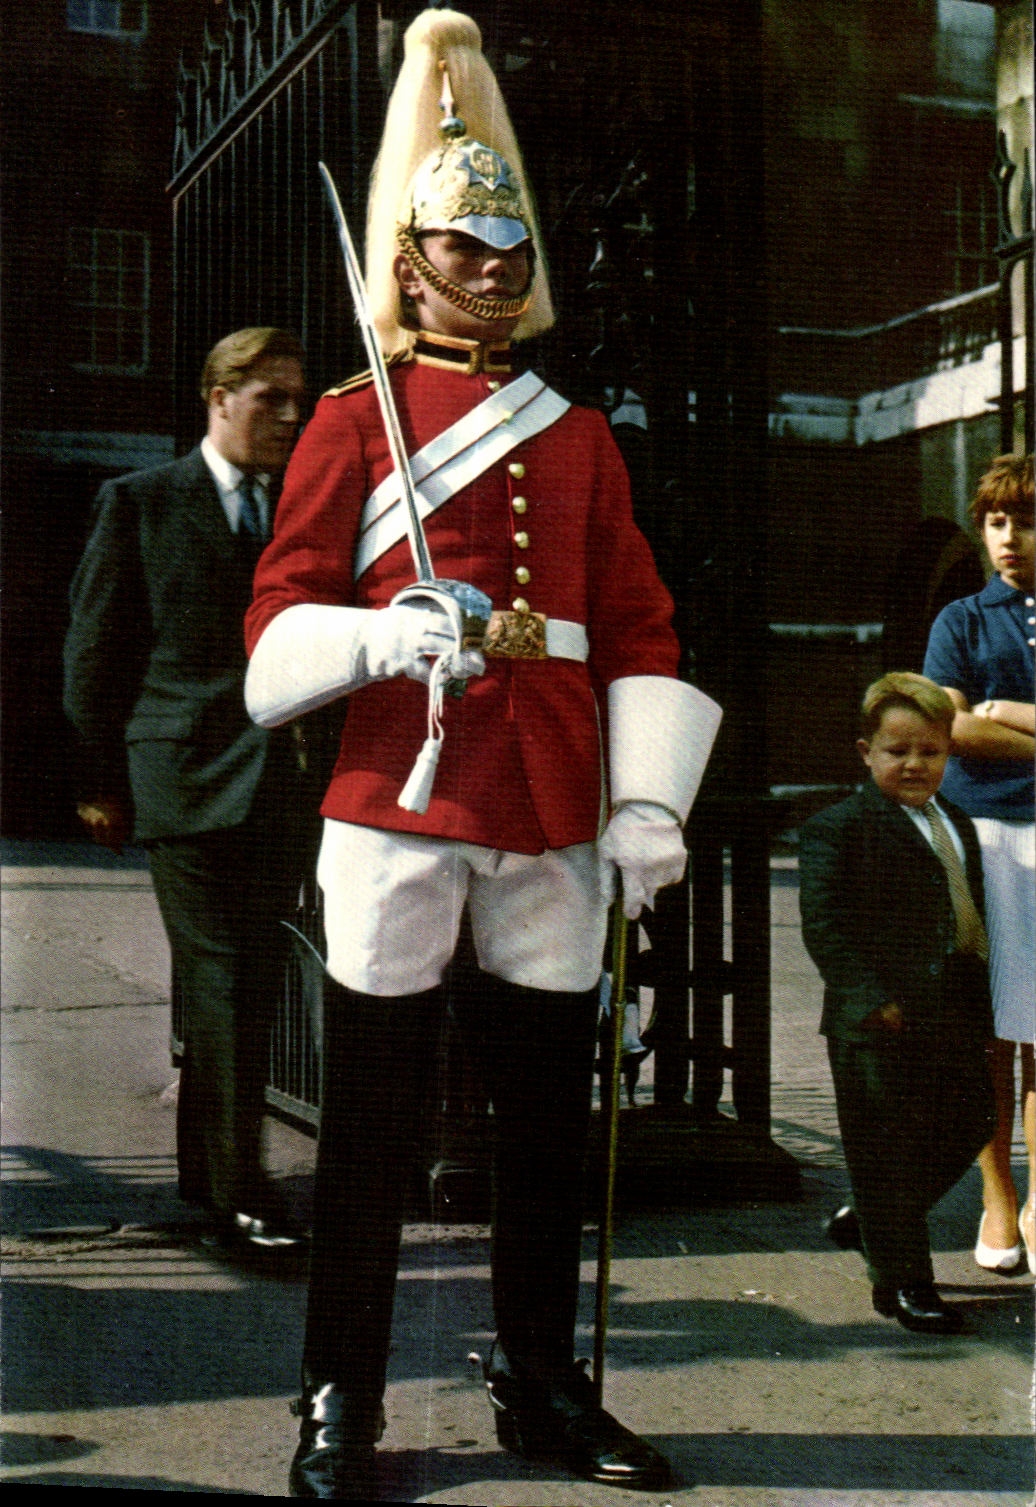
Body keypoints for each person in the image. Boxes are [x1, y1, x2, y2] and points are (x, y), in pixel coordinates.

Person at [243, 10, 721, 1498]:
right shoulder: (345, 421)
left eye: (512, 252)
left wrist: (645, 800)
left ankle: (539, 1378)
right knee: (372, 1130)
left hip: (553, 801)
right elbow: (270, 634)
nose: (495, 271)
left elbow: (636, 622)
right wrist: (381, 636)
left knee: (544, 1138)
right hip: (402, 787)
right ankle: (341, 1393)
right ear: (408, 260)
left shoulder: (578, 436)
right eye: (466, 248)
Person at [63, 327, 311, 1253]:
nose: (290, 416)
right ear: (218, 396)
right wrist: (97, 782)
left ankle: (209, 1175)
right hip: (181, 775)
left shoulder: (305, 508)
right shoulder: (139, 502)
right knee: (220, 978)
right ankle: (244, 1190)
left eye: (298, 399)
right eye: (269, 399)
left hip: (281, 782)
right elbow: (95, 652)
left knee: (251, 978)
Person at [799, 673, 996, 1335]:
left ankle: (871, 1218)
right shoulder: (839, 828)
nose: (914, 763)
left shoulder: (956, 821)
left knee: (970, 1119)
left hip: (952, 1007)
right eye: (897, 750)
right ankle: (905, 1284)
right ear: (866, 751)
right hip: (876, 1020)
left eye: (930, 751)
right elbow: (824, 925)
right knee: (884, 1146)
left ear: (948, 753)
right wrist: (869, 996)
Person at [922, 454, 1035, 1275]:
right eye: (997, 521)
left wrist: (1012, 713)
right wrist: (981, 718)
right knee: (993, 1032)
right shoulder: (961, 620)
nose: (1009, 538)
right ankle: (998, 1198)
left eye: (1025, 520)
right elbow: (953, 729)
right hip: (989, 837)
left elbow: (982, 719)